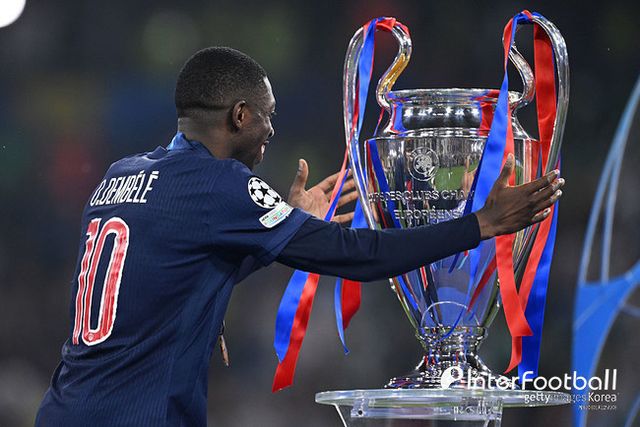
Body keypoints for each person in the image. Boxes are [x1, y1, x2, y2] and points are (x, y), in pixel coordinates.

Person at [35, 47, 564, 426]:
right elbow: (356, 255)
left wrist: (284, 221)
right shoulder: (219, 185)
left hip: (64, 407)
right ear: (239, 116)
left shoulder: (120, 175)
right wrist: (478, 225)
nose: (271, 131)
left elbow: (175, 270)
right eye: (268, 117)